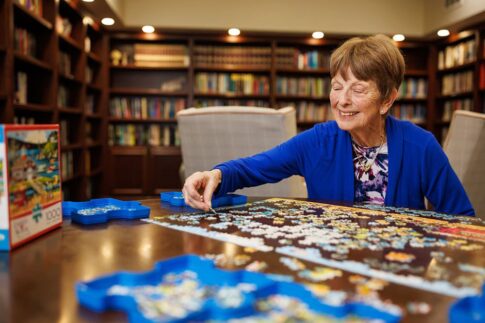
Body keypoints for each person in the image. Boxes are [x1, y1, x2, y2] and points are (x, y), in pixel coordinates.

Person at [182, 34, 475, 216]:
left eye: (358, 89)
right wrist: (215, 174)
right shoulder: (317, 142)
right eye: (337, 87)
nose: (342, 100)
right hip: (331, 273)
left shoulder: (421, 146)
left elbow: (462, 218)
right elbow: (254, 166)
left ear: (387, 99)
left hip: (402, 276)